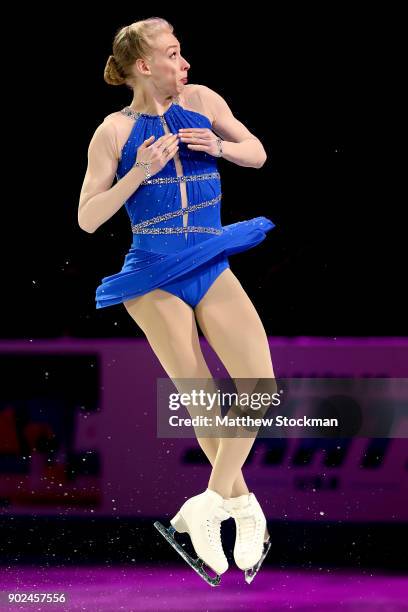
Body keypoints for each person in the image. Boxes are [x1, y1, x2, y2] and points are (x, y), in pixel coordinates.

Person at [78, 16, 276, 585]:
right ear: (145, 66)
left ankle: (211, 503)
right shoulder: (113, 132)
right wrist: (137, 172)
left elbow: (257, 152)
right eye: (172, 53)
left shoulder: (203, 99)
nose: (183, 62)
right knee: (202, 399)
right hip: (154, 271)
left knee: (260, 388)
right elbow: (89, 219)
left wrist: (222, 146)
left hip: (211, 256)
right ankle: (238, 506)